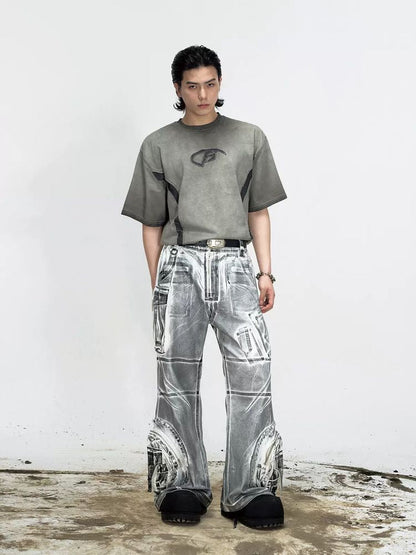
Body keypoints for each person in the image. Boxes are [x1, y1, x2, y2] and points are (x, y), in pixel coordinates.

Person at [121, 45, 287, 529]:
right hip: (180, 264)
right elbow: (151, 223)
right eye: (192, 86)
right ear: (178, 88)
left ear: (220, 82)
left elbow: (258, 210)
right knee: (176, 374)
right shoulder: (158, 144)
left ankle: (250, 489)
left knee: (253, 371)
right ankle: (181, 484)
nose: (202, 95)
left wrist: (265, 272)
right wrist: (159, 282)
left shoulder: (248, 137)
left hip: (236, 263)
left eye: (210, 84)